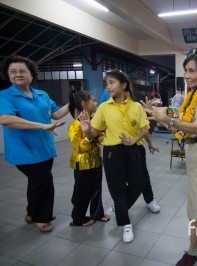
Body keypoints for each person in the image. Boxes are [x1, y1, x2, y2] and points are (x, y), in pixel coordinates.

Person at [141, 48, 197, 266]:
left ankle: (192, 252)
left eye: (192, 71)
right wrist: (157, 115)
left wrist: (169, 120)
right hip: (193, 152)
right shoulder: (190, 96)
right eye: (185, 70)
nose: (187, 75)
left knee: (196, 206)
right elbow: (181, 124)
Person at [0, 55, 69, 232]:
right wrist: (42, 126)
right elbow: (6, 119)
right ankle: (42, 217)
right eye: (13, 72)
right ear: (8, 75)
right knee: (44, 182)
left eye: (22, 71)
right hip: (23, 150)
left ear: (31, 74)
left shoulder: (41, 94)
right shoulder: (5, 95)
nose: (18, 74)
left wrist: (74, 101)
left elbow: (56, 114)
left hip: (44, 148)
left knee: (36, 182)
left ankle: (32, 213)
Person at [79, 70, 148, 243]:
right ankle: (125, 223)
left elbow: (144, 128)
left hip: (131, 149)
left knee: (138, 183)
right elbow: (95, 132)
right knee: (117, 187)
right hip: (112, 152)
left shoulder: (136, 107)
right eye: (107, 83)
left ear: (123, 85)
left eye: (112, 83)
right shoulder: (103, 107)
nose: (108, 86)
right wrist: (88, 130)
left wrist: (134, 140)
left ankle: (119, 207)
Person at [99, 89, 161, 214]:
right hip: (117, 150)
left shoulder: (135, 107)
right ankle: (121, 206)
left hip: (136, 149)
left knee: (142, 177)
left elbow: (144, 129)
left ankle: (149, 200)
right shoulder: (107, 106)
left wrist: (150, 143)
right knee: (121, 181)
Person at [68, 88, 110, 226]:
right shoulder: (76, 124)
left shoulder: (94, 120)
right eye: (93, 100)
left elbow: (102, 133)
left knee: (96, 189)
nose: (96, 102)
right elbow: (80, 148)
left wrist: (100, 137)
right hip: (82, 163)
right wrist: (89, 135)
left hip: (96, 160)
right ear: (84, 104)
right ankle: (78, 218)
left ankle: (97, 213)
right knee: (82, 191)